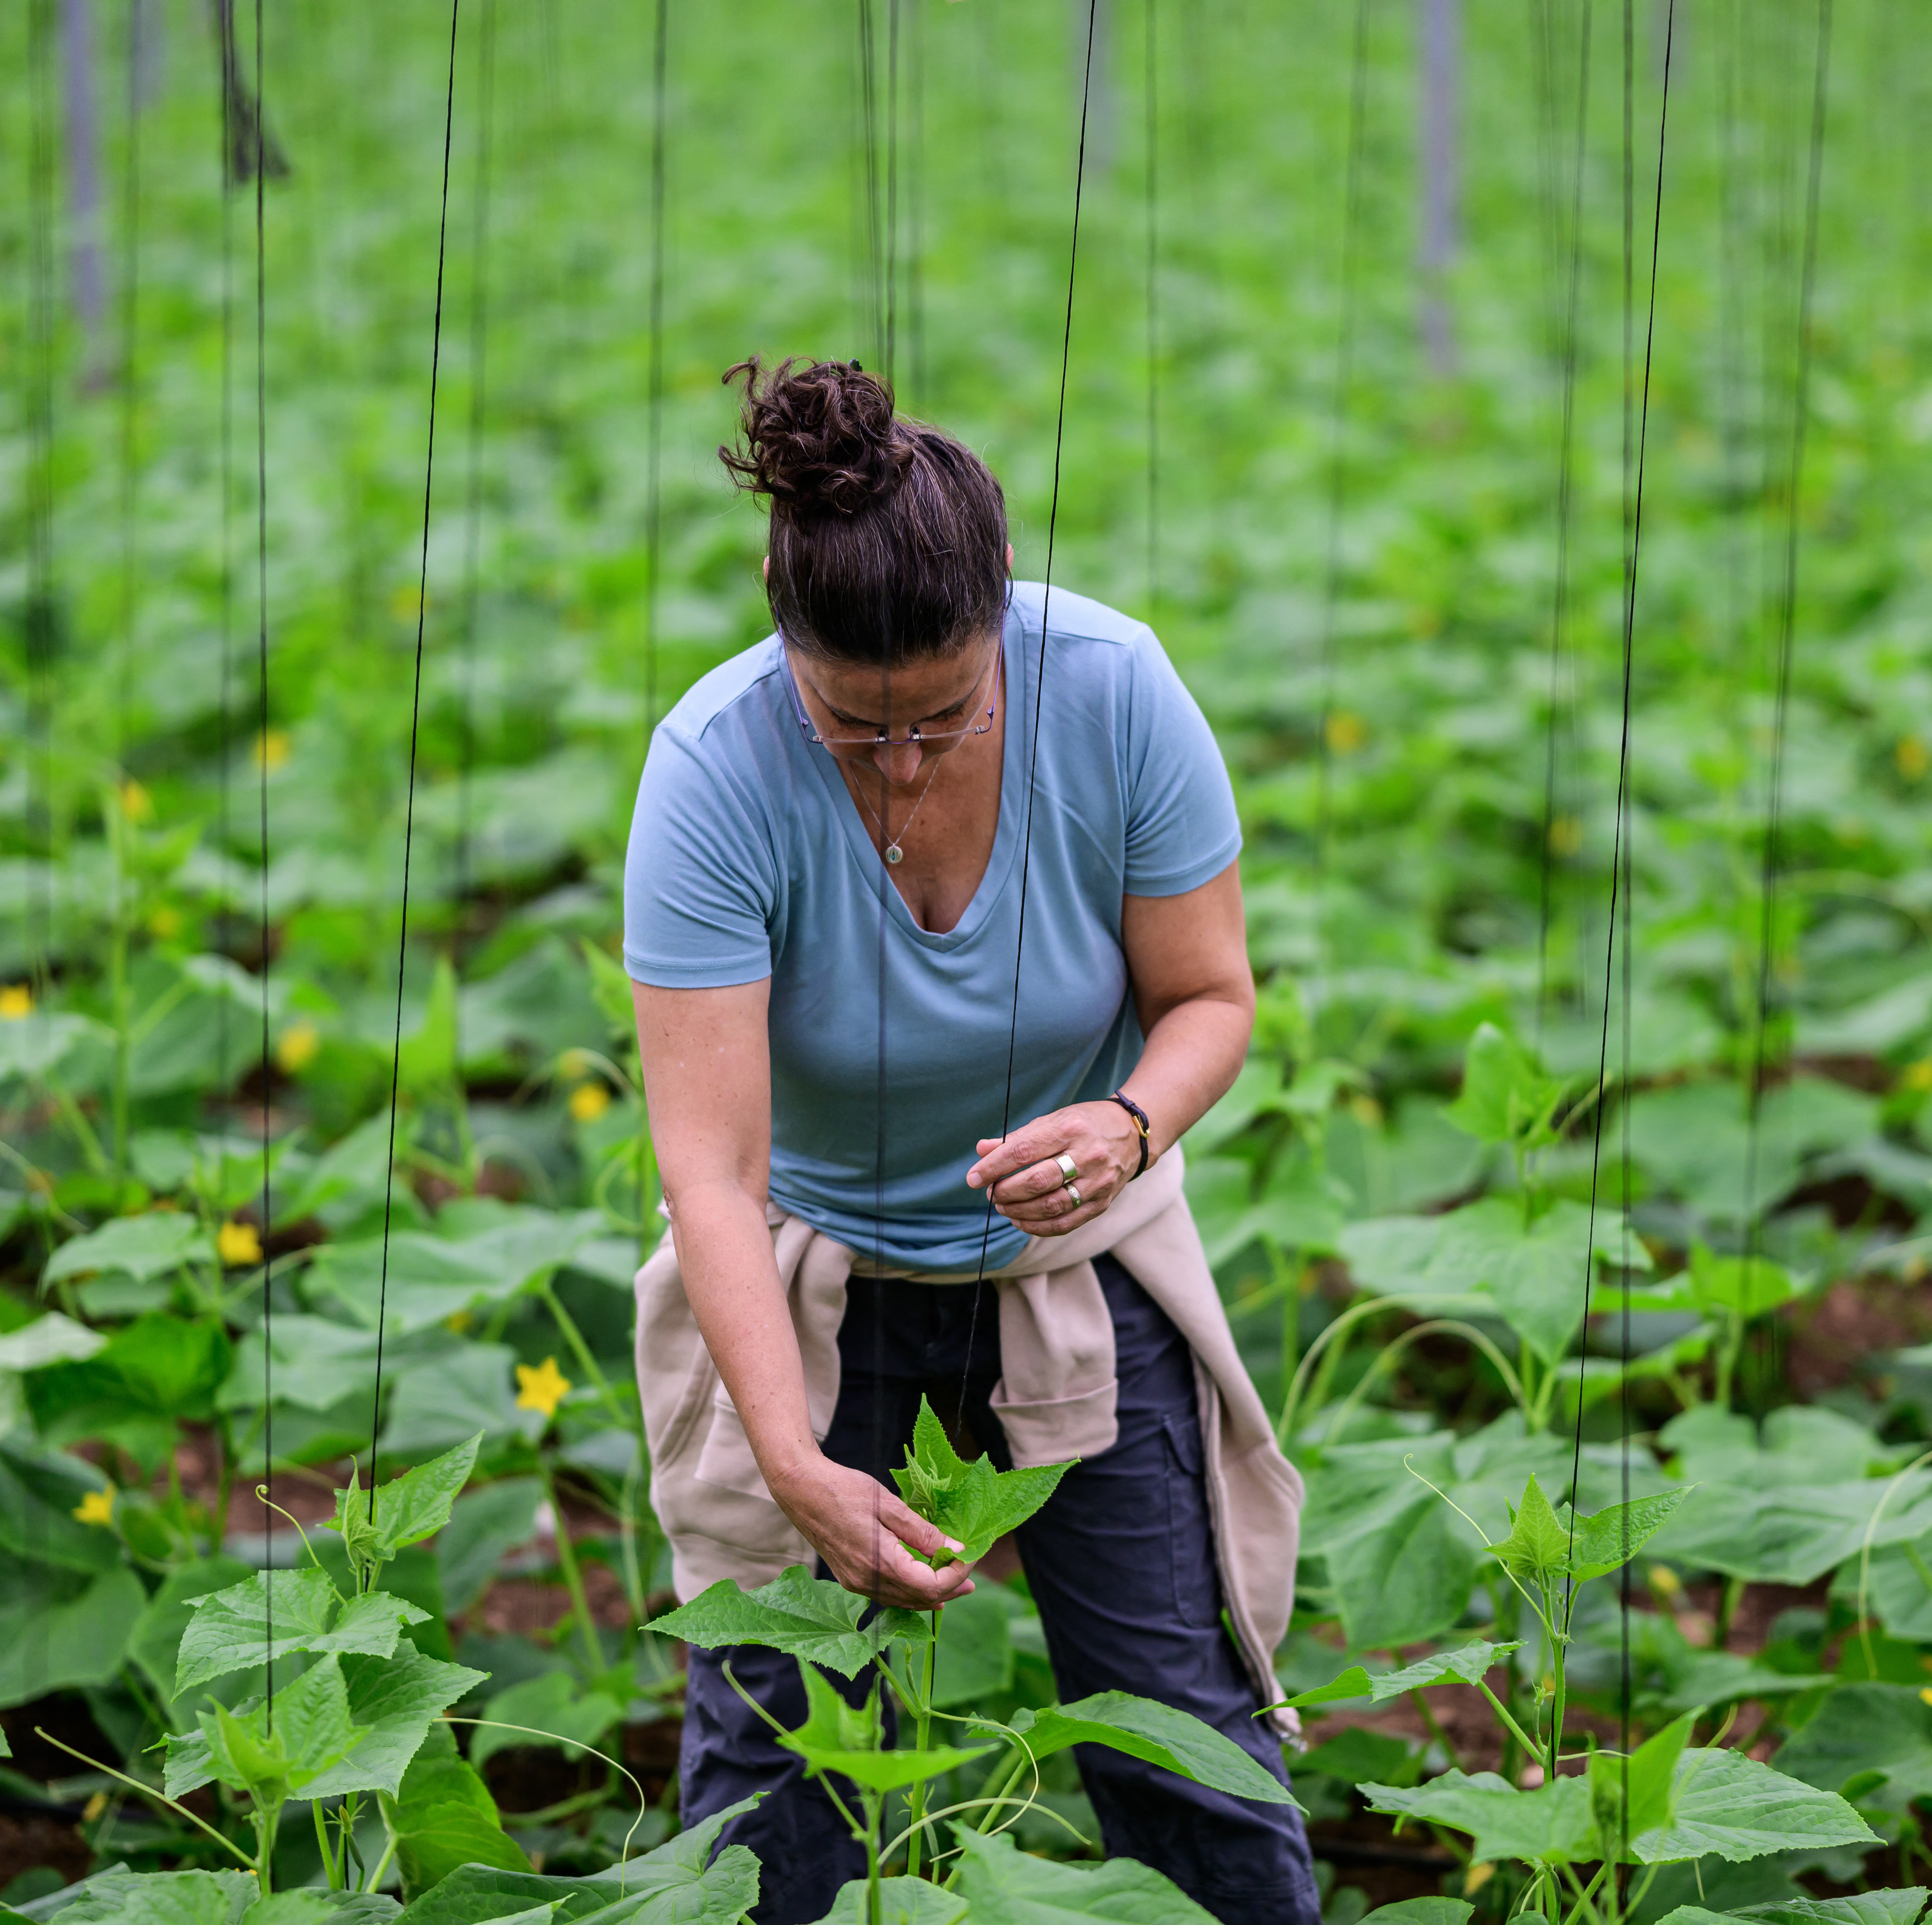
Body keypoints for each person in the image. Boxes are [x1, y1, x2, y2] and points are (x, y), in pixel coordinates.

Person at [624, 356, 1317, 1925]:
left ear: (998, 620)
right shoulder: (712, 771)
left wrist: (1128, 1126)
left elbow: (1208, 995)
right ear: (785, 647)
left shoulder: (1115, 691)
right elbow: (713, 1174)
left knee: (1173, 1726)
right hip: (815, 1279)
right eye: (854, 729)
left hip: (1067, 1267)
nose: (905, 765)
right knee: (775, 1755)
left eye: (945, 714)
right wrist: (790, 1458)